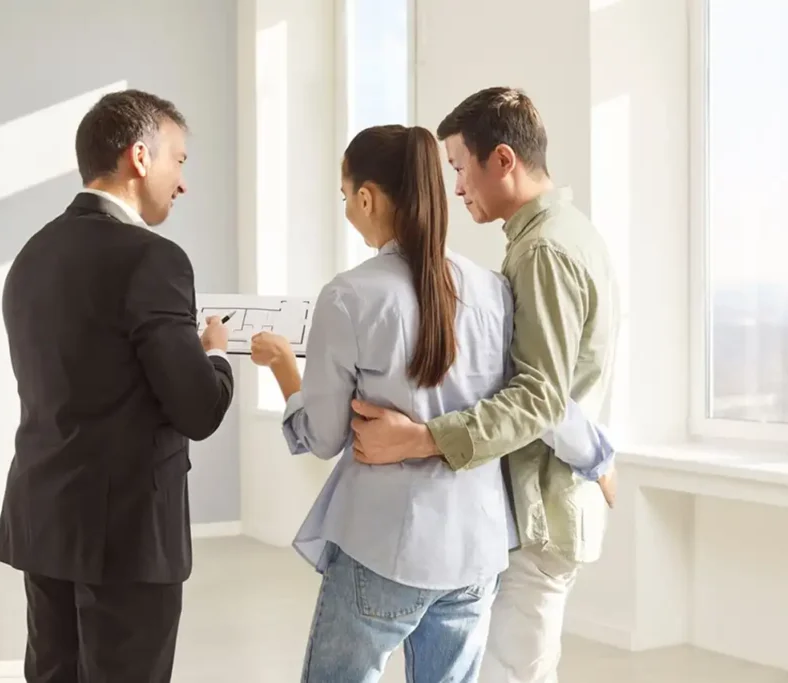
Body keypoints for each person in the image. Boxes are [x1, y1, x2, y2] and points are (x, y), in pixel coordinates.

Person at [251, 124, 595, 683]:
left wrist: (286, 371)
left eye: (346, 198)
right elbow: (533, 397)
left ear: (367, 198)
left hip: (387, 546)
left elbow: (323, 436)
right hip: (477, 549)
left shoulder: (349, 295)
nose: (347, 209)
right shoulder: (492, 288)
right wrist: (597, 456)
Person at [350, 87, 621, 683]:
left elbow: (540, 397)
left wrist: (421, 439)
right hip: (539, 499)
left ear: (502, 160)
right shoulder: (560, 234)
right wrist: (599, 453)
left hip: (540, 508)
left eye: (458, 167)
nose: (456, 187)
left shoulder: (544, 251)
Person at [0, 89, 235, 683]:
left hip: (44, 517)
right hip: (127, 534)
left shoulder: (32, 255)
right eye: (179, 161)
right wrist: (217, 357)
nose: (182, 183)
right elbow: (198, 409)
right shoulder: (155, 260)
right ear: (140, 157)